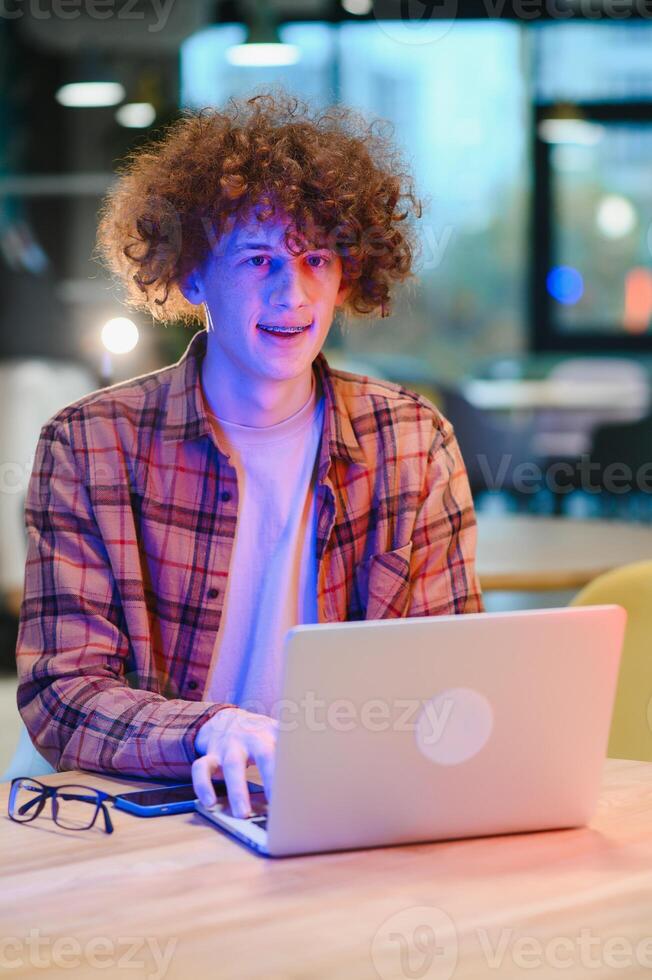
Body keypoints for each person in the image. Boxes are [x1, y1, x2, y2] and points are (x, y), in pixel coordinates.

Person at [15, 90, 484, 820]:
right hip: (157, 807)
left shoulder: (411, 441)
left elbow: (454, 678)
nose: (291, 294)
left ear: (347, 275)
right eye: (258, 258)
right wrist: (210, 728)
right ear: (192, 275)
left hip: (343, 805)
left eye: (316, 259)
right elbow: (62, 694)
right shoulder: (90, 445)